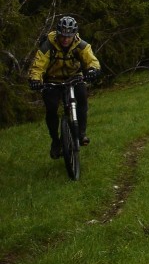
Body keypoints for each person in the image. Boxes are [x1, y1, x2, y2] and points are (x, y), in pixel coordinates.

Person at [28, 16, 100, 159]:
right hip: (52, 80)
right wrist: (35, 79)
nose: (66, 39)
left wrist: (92, 70)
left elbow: (92, 60)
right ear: (58, 33)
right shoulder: (48, 45)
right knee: (51, 108)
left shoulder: (81, 45)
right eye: (63, 36)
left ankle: (81, 133)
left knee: (82, 99)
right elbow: (38, 65)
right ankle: (55, 140)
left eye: (69, 36)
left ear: (74, 34)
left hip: (75, 77)